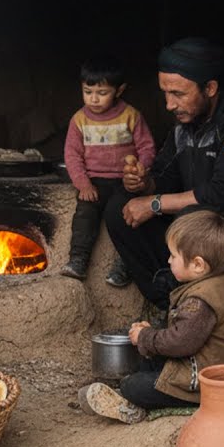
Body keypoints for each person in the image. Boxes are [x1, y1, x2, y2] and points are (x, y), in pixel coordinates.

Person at [104, 37, 224, 308]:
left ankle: (202, 304)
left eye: (178, 94)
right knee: (118, 206)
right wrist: (143, 183)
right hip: (195, 217)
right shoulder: (187, 120)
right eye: (165, 93)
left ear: (210, 87)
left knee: (195, 219)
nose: (169, 104)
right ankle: (167, 303)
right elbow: (166, 175)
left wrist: (155, 203)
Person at [79, 211, 224, 424]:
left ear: (198, 264)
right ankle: (119, 393)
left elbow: (180, 343)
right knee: (146, 363)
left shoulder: (201, 300)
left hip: (205, 384)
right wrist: (151, 334)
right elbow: (184, 332)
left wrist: (146, 337)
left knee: (134, 385)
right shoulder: (217, 283)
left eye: (173, 256)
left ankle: (130, 405)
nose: (168, 260)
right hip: (207, 367)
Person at [60, 56, 156, 285]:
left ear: (119, 90)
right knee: (84, 215)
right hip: (94, 181)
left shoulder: (131, 116)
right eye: (87, 91)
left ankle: (125, 265)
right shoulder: (79, 120)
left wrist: (141, 169)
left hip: (126, 181)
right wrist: (83, 184)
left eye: (102, 92)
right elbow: (72, 155)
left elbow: (147, 146)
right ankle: (78, 260)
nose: (93, 99)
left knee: (127, 217)